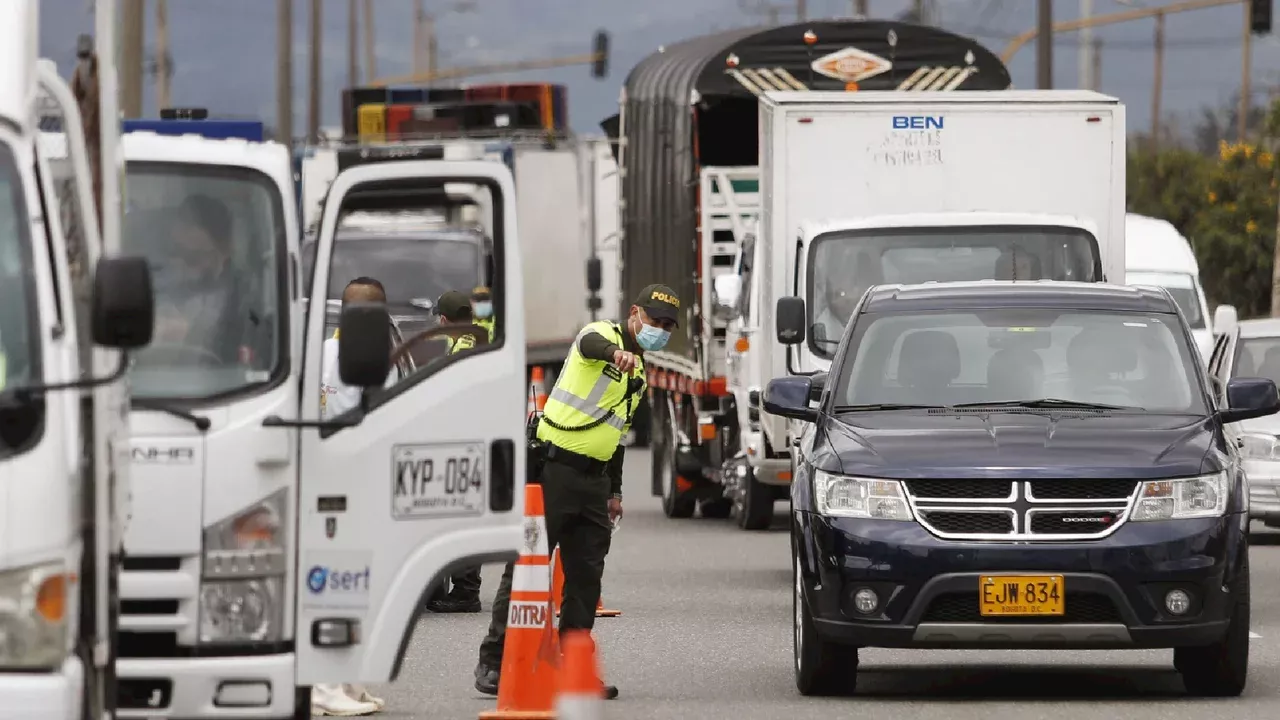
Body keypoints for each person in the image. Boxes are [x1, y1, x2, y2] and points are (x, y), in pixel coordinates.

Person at [472, 283, 680, 699]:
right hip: (555, 472)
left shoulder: (638, 372)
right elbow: (589, 343)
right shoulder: (602, 335)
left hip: (595, 483)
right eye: (654, 321)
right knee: (526, 570)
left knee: (586, 579)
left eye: (667, 327)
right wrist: (614, 353)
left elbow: (616, 433)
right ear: (635, 313)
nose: (659, 330)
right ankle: (494, 663)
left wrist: (615, 491)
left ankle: (573, 666)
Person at [313, 276, 398, 718]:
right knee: (334, 586)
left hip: (351, 480)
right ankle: (324, 686)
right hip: (340, 483)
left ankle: (348, 682)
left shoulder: (377, 356)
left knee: (356, 587)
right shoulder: (335, 355)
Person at [425, 290, 486, 614]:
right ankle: (464, 587)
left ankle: (465, 591)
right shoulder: (484, 338)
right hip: (483, 438)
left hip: (466, 442)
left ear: (445, 321)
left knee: (463, 516)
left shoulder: (460, 348)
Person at [151, 195, 241, 360]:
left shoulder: (242, 295)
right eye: (177, 252)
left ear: (222, 244)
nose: (184, 267)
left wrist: (188, 331)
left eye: (194, 258)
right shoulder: (159, 280)